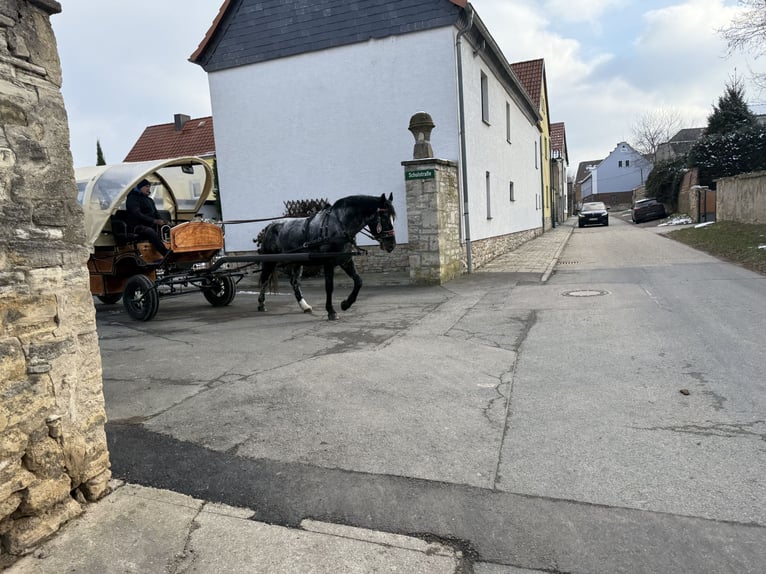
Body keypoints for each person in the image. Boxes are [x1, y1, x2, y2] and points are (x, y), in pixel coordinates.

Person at [126, 178, 171, 259]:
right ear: (140, 187)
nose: (148, 189)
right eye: (146, 186)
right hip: (137, 226)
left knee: (169, 228)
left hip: (149, 224)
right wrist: (154, 221)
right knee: (150, 231)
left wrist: (164, 221)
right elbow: (137, 214)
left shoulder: (149, 200)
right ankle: (166, 254)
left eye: (149, 187)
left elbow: (156, 213)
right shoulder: (132, 198)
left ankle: (175, 248)